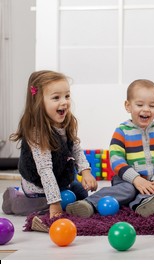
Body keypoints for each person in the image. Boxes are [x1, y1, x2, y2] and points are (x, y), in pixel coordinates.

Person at [66, 79, 154, 218]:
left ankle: (143, 205)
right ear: (128, 106)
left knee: (150, 192)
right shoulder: (122, 131)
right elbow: (116, 160)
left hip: (151, 180)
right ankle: (88, 203)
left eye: (152, 105)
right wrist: (135, 179)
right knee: (128, 190)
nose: (146, 109)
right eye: (140, 104)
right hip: (126, 180)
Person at [2, 70, 97, 228]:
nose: (64, 102)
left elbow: (75, 148)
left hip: (60, 180)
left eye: (67, 96)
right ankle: (14, 198)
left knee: (81, 193)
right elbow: (45, 170)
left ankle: (64, 200)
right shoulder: (37, 133)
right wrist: (54, 202)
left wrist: (85, 171)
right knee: (46, 207)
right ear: (39, 102)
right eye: (56, 98)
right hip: (38, 187)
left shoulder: (66, 121)